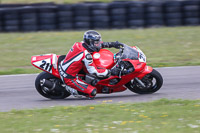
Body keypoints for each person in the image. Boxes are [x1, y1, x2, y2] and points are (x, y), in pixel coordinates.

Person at [58, 30, 123, 99]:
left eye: (98, 42)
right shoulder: (86, 55)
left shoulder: (81, 44)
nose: (98, 44)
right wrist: (111, 72)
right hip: (69, 77)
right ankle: (70, 89)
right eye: (96, 42)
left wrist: (112, 44)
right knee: (93, 92)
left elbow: (99, 45)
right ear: (90, 42)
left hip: (70, 65)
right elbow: (94, 72)